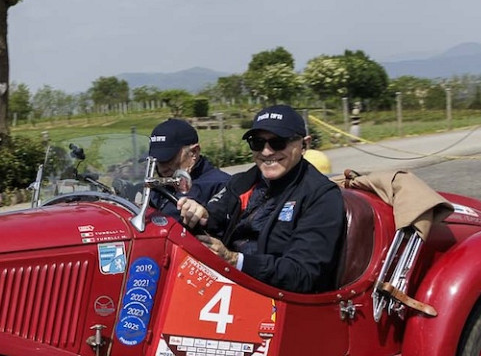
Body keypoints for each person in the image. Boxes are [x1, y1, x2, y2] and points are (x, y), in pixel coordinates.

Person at [176, 104, 344, 293]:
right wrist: (198, 214)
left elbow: (303, 274)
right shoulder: (243, 181)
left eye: (278, 142)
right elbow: (215, 215)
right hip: (229, 285)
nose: (266, 152)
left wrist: (233, 260)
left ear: (305, 144)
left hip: (280, 301)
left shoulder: (321, 196)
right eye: (257, 142)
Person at [146, 118, 226, 218]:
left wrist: (206, 216)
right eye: (156, 161)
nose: (162, 169)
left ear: (194, 152)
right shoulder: (157, 187)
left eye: (168, 159)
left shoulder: (221, 185)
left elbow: (225, 225)